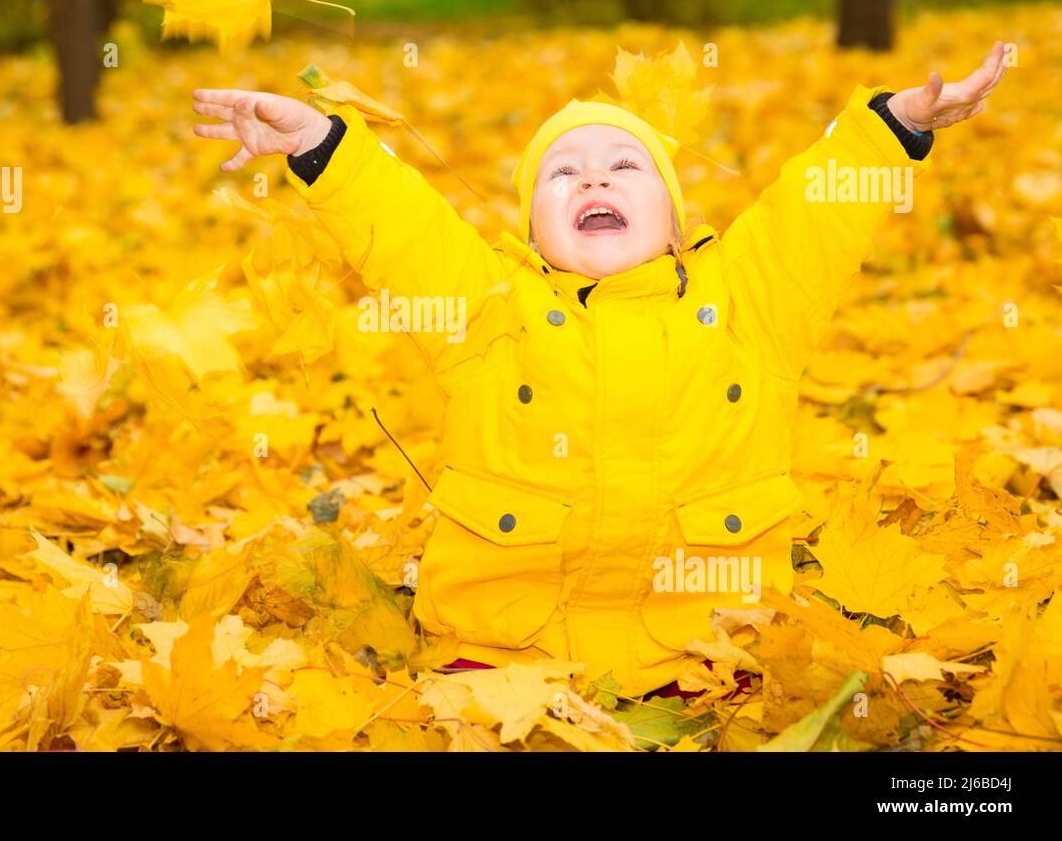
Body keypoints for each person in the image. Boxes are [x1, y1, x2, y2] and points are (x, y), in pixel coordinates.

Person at [191, 42, 1009, 696]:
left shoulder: (753, 300)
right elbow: (401, 230)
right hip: (502, 650)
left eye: (625, 165)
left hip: (713, 651)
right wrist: (317, 144)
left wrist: (892, 127)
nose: (592, 177)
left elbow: (818, 211)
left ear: (679, 225)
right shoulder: (488, 310)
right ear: (530, 231)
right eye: (561, 173)